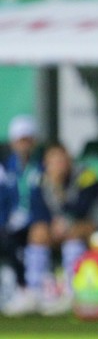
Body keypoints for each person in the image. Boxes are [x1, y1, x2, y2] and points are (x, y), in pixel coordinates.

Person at [38, 142, 98, 314]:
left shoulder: (86, 176)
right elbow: (38, 210)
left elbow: (82, 208)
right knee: (38, 232)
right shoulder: (40, 179)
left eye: (62, 159)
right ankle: (37, 290)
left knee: (73, 233)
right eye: (54, 160)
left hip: (90, 227)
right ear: (46, 162)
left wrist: (58, 188)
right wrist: (53, 226)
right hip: (57, 230)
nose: (59, 164)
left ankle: (72, 289)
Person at [0, 115, 52, 316]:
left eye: (28, 139)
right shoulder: (5, 168)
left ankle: (35, 291)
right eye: (21, 140)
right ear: (13, 142)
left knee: (37, 235)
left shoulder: (42, 167)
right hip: (8, 224)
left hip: (35, 222)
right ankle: (18, 290)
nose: (24, 145)